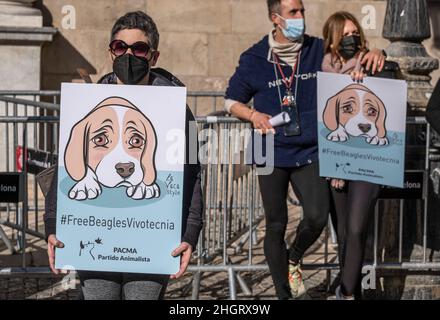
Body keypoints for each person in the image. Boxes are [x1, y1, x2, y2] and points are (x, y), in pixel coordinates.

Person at [224, 0, 385, 300]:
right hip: (269, 148)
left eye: (302, 11)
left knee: (316, 216)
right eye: (293, 13)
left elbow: (350, 54)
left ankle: (294, 257)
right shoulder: (254, 57)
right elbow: (230, 100)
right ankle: (284, 294)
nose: (301, 17)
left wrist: (378, 53)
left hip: (308, 148)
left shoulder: (316, 50)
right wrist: (252, 115)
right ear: (276, 19)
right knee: (275, 223)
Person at [44, 11, 204, 300]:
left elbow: (193, 175)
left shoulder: (180, 111)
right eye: (121, 47)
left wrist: (190, 235)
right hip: (94, 243)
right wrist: (53, 227)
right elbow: (62, 171)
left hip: (153, 243)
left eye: (139, 49)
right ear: (110, 52)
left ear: (153, 56)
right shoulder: (87, 104)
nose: (129, 55)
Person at [321, 11, 384, 300]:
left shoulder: (371, 61)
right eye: (344, 34)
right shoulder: (326, 67)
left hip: (368, 162)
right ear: (333, 39)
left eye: (354, 32)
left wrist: (373, 62)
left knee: (357, 228)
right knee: (344, 234)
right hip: (338, 165)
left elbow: (385, 87)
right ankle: (349, 290)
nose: (351, 38)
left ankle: (346, 294)